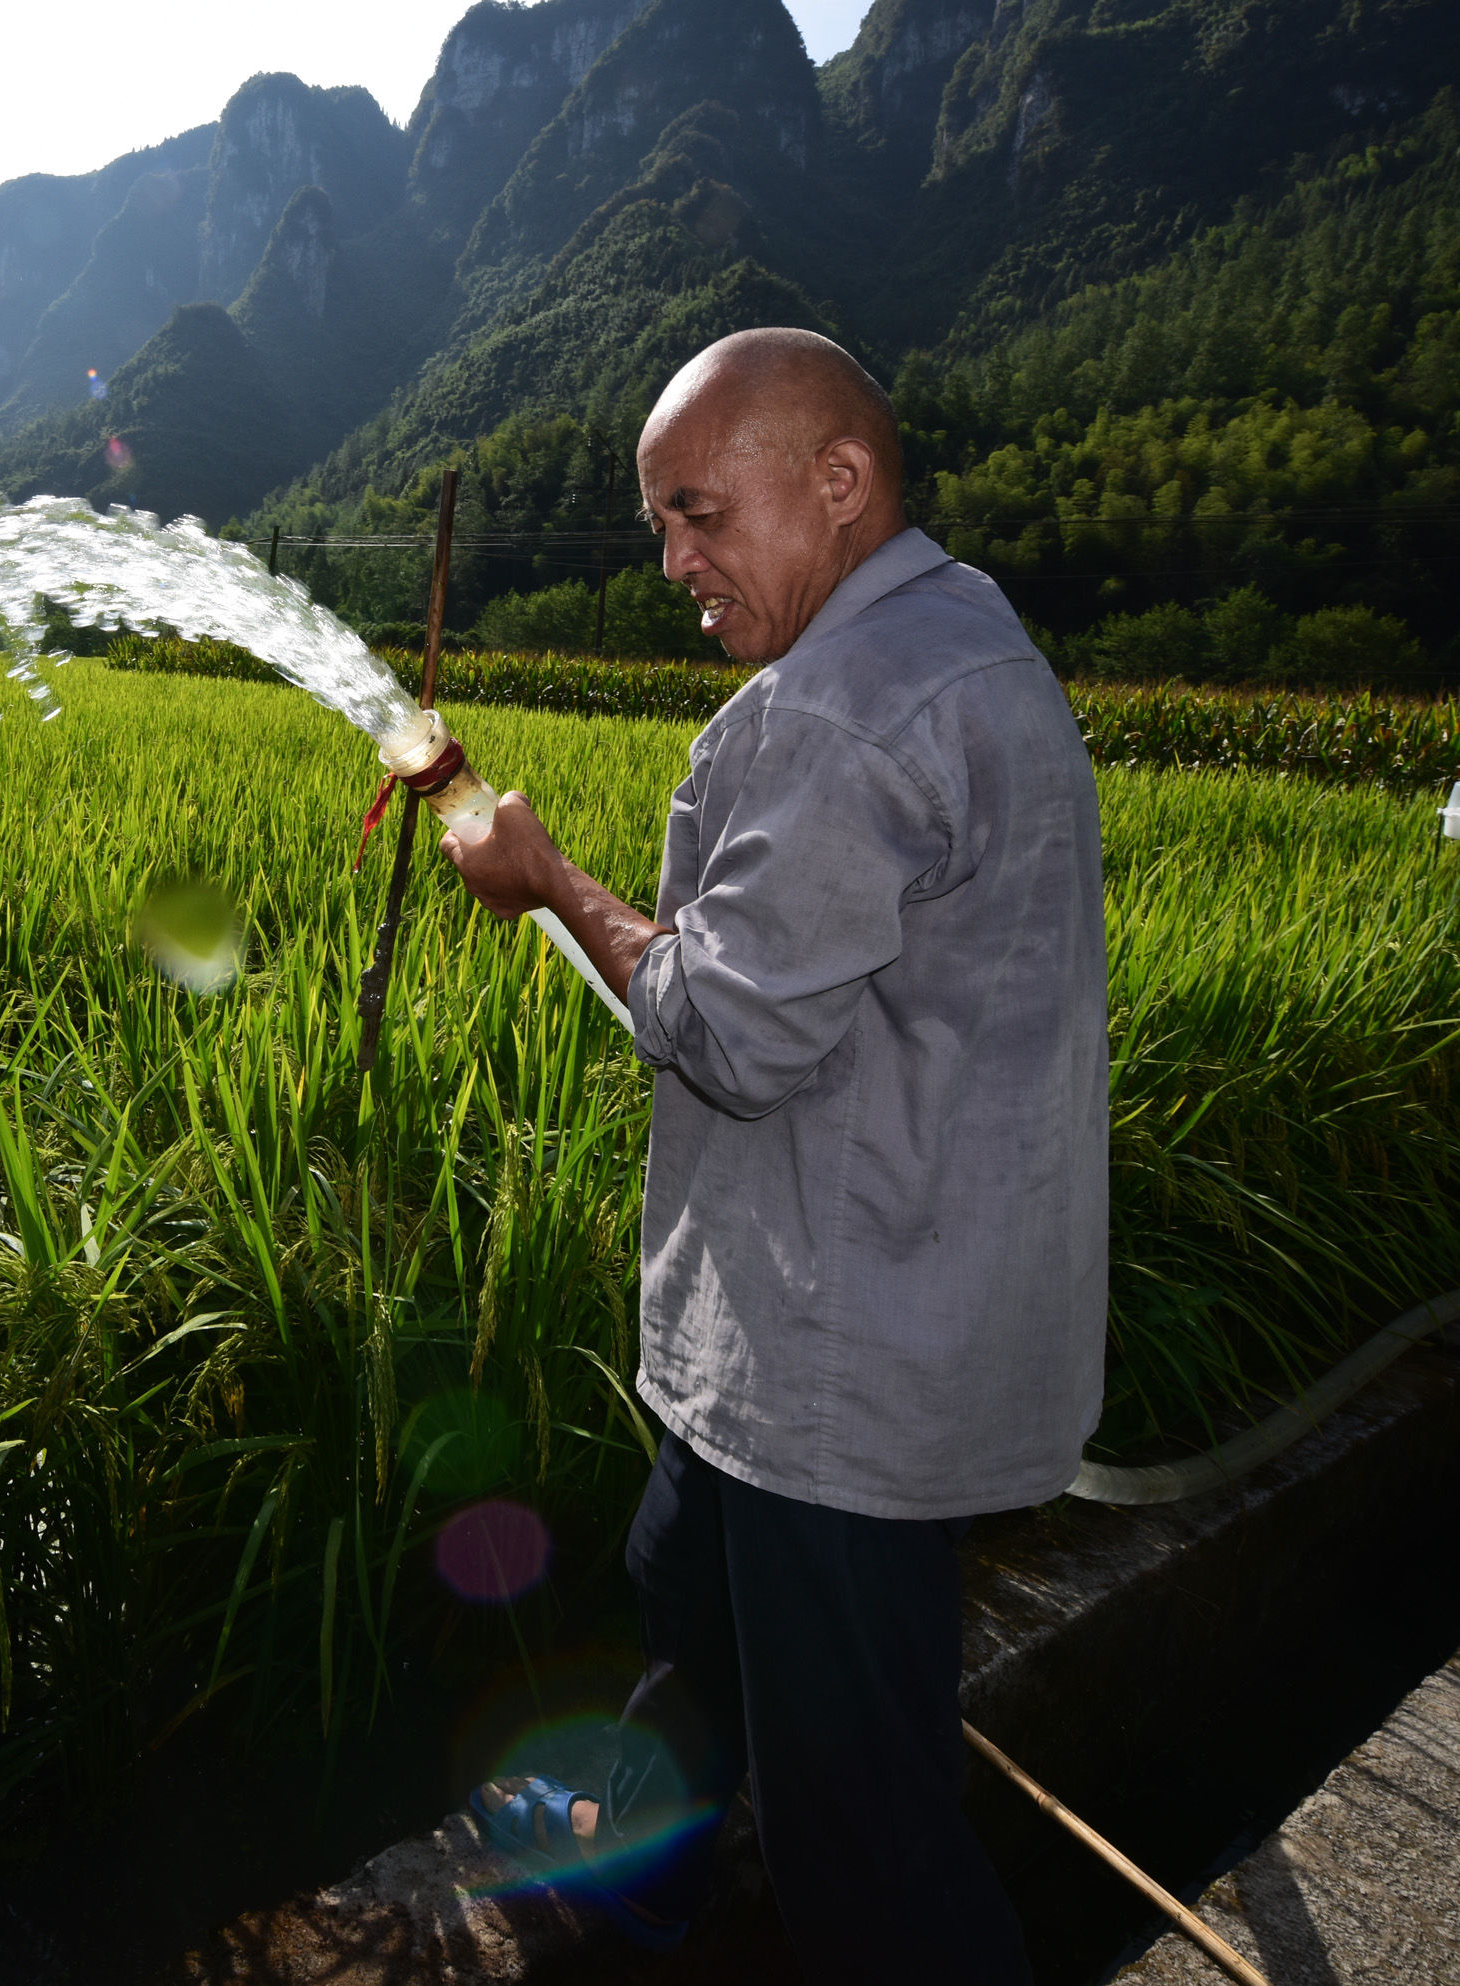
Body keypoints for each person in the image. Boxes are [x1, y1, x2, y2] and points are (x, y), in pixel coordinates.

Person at [439, 327, 1108, 1983]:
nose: (673, 560)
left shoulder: (841, 711)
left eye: (700, 514)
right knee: (684, 1584)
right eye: (659, 523)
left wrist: (548, 880)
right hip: (836, 1302)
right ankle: (642, 1860)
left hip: (839, 1366)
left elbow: (727, 1029)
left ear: (838, 481)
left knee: (865, 1845)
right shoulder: (968, 639)